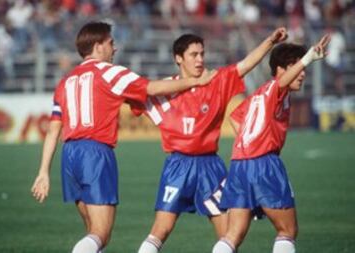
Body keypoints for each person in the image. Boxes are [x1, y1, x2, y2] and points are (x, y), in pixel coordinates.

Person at [30, 21, 216, 253]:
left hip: (69, 156)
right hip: (95, 153)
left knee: (91, 231)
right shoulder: (110, 72)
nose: (114, 48)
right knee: (100, 234)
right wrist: (196, 81)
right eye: (111, 43)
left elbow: (54, 129)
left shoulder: (65, 81)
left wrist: (43, 172)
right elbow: (151, 89)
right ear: (98, 46)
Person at [133, 27, 289, 253]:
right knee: (161, 229)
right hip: (178, 165)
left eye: (202, 54)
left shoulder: (217, 81)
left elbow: (245, 65)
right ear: (178, 58)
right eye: (193, 55)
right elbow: (132, 94)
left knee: (228, 234)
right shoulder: (165, 89)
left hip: (210, 166)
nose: (200, 60)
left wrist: (269, 42)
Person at [212, 35, 330, 253]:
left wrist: (250, 141)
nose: (302, 73)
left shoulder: (258, 94)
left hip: (239, 165)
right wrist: (309, 57)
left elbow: (236, 118)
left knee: (233, 235)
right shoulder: (277, 88)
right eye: (296, 66)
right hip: (264, 164)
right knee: (287, 230)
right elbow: (282, 82)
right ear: (280, 69)